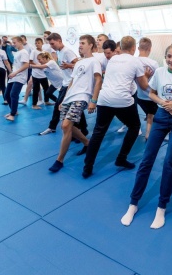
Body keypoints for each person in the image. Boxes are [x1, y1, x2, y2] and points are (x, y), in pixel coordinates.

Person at [121, 44, 172, 229]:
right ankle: (133, 203)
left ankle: (161, 207)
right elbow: (152, 93)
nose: (171, 60)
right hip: (161, 116)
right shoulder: (160, 72)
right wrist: (163, 102)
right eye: (169, 56)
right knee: (147, 160)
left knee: (169, 161)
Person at [82, 36, 151, 179]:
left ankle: (87, 167)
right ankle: (121, 158)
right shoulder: (136, 61)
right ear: (134, 48)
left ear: (121, 47)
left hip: (104, 99)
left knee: (98, 133)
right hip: (121, 100)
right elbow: (144, 86)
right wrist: (146, 75)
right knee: (134, 126)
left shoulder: (112, 59)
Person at [49, 35, 103, 172]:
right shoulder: (79, 62)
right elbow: (72, 82)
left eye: (83, 43)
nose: (80, 45)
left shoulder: (94, 61)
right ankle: (87, 143)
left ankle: (59, 160)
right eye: (79, 43)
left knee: (66, 125)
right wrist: (64, 99)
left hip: (82, 96)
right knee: (65, 126)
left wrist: (93, 100)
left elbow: (98, 80)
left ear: (90, 45)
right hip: (70, 96)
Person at [38, 33, 79, 136]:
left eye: (53, 43)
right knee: (61, 107)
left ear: (59, 41)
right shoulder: (59, 52)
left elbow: (79, 65)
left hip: (70, 84)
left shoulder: (67, 51)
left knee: (62, 107)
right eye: (50, 44)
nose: (51, 46)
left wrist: (69, 65)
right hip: (65, 83)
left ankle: (80, 130)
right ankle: (52, 127)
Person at [136, 37, 159, 140]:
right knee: (151, 115)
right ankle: (149, 133)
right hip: (151, 96)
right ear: (150, 49)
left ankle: (147, 133)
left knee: (149, 114)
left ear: (138, 48)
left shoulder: (133, 62)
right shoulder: (153, 63)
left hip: (139, 96)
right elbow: (159, 79)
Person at [3, 36, 30, 121]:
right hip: (14, 76)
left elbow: (26, 65)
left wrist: (15, 72)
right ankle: (14, 111)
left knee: (14, 94)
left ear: (20, 42)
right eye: (12, 43)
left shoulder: (24, 52)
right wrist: (12, 72)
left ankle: (12, 114)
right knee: (7, 95)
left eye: (14, 43)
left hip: (20, 77)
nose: (13, 44)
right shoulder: (17, 52)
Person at [27, 38, 48, 109]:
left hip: (43, 73)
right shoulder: (34, 51)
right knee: (36, 89)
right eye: (36, 43)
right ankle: (34, 104)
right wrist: (38, 65)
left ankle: (46, 101)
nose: (37, 44)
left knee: (46, 88)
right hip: (36, 73)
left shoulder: (44, 52)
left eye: (38, 43)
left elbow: (47, 60)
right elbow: (30, 61)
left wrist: (44, 65)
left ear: (42, 43)